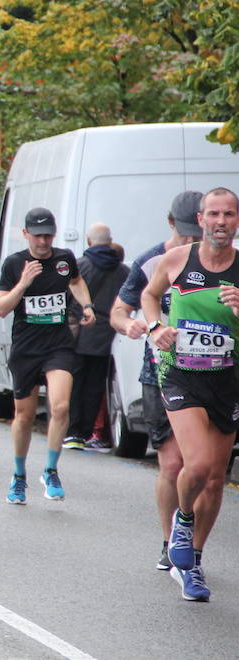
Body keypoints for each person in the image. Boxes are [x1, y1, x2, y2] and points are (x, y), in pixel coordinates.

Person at [140, 187, 239, 602]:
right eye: (213, 214)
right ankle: (181, 522)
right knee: (195, 465)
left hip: (228, 380)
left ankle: (193, 563)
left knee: (216, 479)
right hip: (181, 374)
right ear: (200, 220)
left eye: (229, 214)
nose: (221, 221)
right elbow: (148, 296)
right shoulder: (179, 259)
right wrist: (154, 327)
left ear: (237, 221)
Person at [111, 190, 198, 574]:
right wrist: (131, 324)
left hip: (209, 373)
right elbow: (119, 309)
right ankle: (170, 542)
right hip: (159, 373)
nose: (193, 240)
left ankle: (189, 534)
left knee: (202, 468)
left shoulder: (222, 261)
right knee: (173, 462)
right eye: (186, 232)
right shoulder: (151, 261)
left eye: (199, 232)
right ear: (170, 224)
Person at [0, 208, 95, 504]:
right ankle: (18, 475)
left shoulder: (64, 259)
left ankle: (51, 470)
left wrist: (87, 306)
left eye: (48, 234)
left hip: (58, 345)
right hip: (26, 349)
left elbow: (75, 281)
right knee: (24, 417)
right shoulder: (14, 264)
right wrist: (23, 283)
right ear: (26, 234)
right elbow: (1, 308)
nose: (43, 241)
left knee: (61, 407)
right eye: (37, 235)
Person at [66, 223, 127, 450]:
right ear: (109, 241)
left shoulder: (80, 266)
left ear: (90, 241)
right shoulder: (123, 271)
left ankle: (72, 432)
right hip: (109, 337)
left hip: (81, 333)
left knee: (75, 384)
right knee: (95, 386)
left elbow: (67, 298)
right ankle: (84, 433)